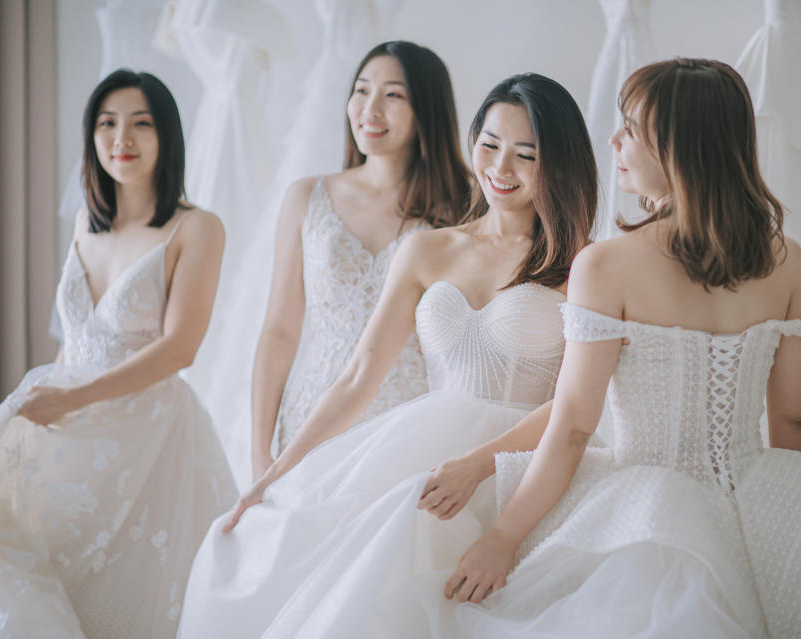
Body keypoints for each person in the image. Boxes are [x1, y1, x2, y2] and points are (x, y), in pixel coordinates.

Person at [433, 58, 801, 638]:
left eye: (632, 130)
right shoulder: (786, 259)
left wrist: (502, 539)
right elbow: (793, 418)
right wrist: (796, 535)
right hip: (754, 502)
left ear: (680, 148)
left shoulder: (606, 264)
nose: (614, 140)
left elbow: (573, 427)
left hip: (642, 519)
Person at [177, 72, 597, 639]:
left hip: (527, 466)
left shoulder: (586, 265)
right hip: (423, 454)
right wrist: (273, 475)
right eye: (490, 145)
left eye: (527, 154)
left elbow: (578, 404)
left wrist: (482, 463)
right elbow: (358, 376)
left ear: (560, 164)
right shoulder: (427, 248)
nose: (501, 168)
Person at [0, 69, 237, 639]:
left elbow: (181, 347)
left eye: (142, 123)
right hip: (68, 422)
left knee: (121, 598)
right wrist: (55, 402)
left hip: (149, 436)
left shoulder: (197, 228)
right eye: (107, 123)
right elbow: (74, 334)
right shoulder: (84, 224)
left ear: (167, 135)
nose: (123, 138)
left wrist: (75, 396)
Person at [248, 41, 472, 481]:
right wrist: (259, 447)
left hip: (412, 424)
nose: (370, 108)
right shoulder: (307, 197)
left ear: (426, 109)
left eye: (392, 95)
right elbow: (278, 331)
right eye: (361, 90)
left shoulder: (465, 206)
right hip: (313, 415)